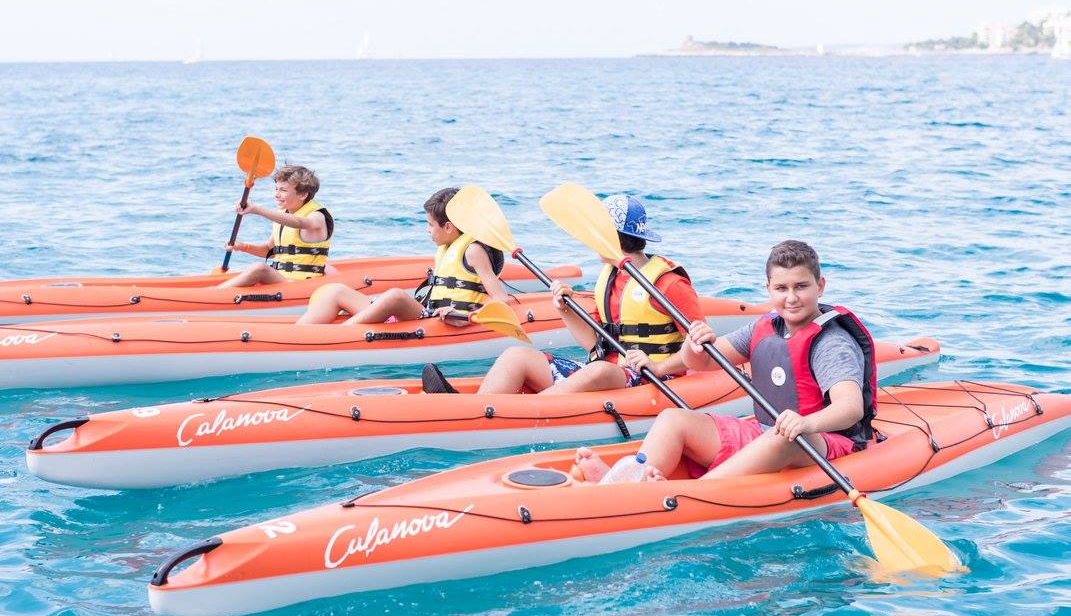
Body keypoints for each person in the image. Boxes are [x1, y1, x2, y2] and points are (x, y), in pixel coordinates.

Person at [573, 239, 878, 483]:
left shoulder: (831, 343)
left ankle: (692, 495)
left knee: (788, 437)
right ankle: (626, 483)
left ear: (820, 286)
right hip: (768, 431)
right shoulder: (767, 326)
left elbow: (850, 408)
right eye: (781, 288)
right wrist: (692, 347)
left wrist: (806, 423)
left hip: (825, 441)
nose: (791, 298)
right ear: (768, 289)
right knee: (673, 419)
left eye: (801, 286)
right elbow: (705, 361)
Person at [421, 194, 703, 395]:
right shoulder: (611, 277)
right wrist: (565, 310)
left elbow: (702, 353)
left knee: (600, 371)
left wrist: (658, 366)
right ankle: (476, 408)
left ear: (610, 237)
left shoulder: (668, 283)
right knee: (516, 356)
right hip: (609, 371)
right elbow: (595, 345)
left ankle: (525, 411)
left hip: (652, 379)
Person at [296, 187, 509, 325]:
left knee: (396, 296)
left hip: (443, 320)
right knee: (336, 291)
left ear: (448, 227)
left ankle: (339, 335)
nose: (427, 230)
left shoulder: (473, 251)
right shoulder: (448, 247)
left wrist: (468, 316)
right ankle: (300, 333)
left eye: (430, 225)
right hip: (427, 311)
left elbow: (500, 298)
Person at [217, 165, 333, 288]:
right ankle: (218, 291)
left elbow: (299, 222)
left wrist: (257, 210)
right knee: (259, 269)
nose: (276, 194)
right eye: (276, 189)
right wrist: (243, 247)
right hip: (281, 279)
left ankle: (216, 292)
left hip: (304, 284)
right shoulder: (282, 214)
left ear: (303, 194)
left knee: (260, 269)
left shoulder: (317, 216)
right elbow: (269, 250)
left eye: (283, 190)